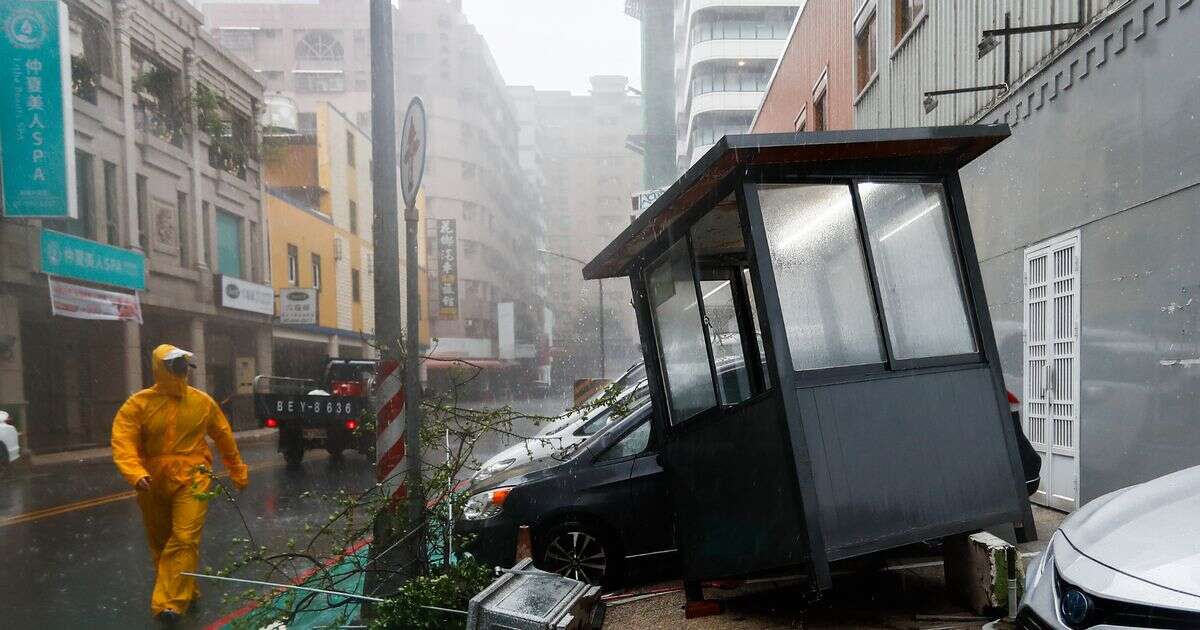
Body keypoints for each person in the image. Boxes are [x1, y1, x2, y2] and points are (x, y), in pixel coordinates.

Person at [112, 344, 249, 624]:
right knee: (161, 542)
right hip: (152, 480)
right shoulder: (138, 404)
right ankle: (186, 586)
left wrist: (237, 470)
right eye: (175, 365)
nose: (181, 370)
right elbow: (123, 441)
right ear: (161, 368)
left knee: (185, 537)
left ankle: (169, 603)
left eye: (184, 364)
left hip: (194, 476)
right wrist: (134, 472)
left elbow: (223, 436)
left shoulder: (201, 402)